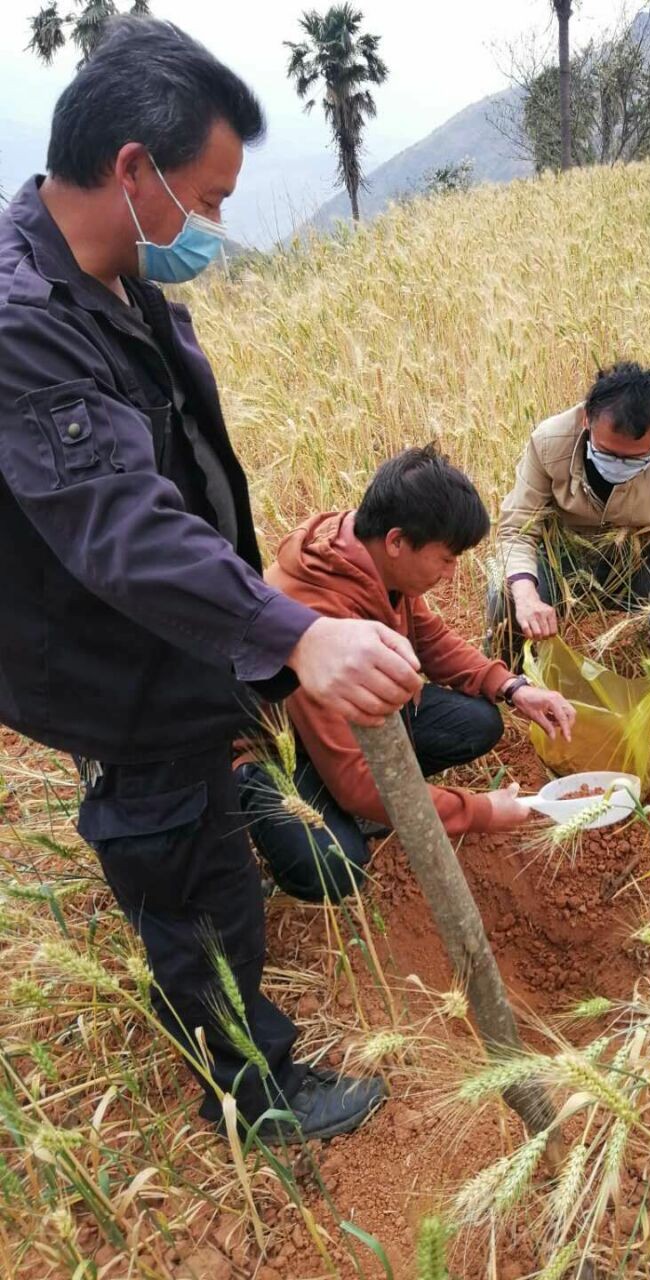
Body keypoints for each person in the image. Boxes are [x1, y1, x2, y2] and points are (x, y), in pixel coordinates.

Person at [0, 18, 424, 1143]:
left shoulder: (119, 278)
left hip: (180, 642)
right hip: (113, 667)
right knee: (191, 879)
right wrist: (290, 631)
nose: (216, 227)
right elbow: (120, 524)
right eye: (211, 196)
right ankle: (251, 1090)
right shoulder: (23, 326)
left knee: (209, 848)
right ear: (133, 169)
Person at [236, 445, 576, 901]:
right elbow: (355, 779)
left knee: (478, 721)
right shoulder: (315, 615)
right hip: (280, 751)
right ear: (397, 541)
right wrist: (479, 812)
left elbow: (430, 640)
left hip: (352, 721)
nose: (452, 575)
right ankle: (311, 818)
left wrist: (513, 687)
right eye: (447, 559)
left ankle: (368, 808)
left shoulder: (370, 554)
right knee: (334, 868)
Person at [488, 363, 650, 678]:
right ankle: (506, 677)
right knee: (505, 591)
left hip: (643, 563)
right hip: (566, 561)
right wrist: (525, 595)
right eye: (606, 452)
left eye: (633, 458)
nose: (617, 464)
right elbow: (517, 529)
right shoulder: (549, 441)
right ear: (585, 419)